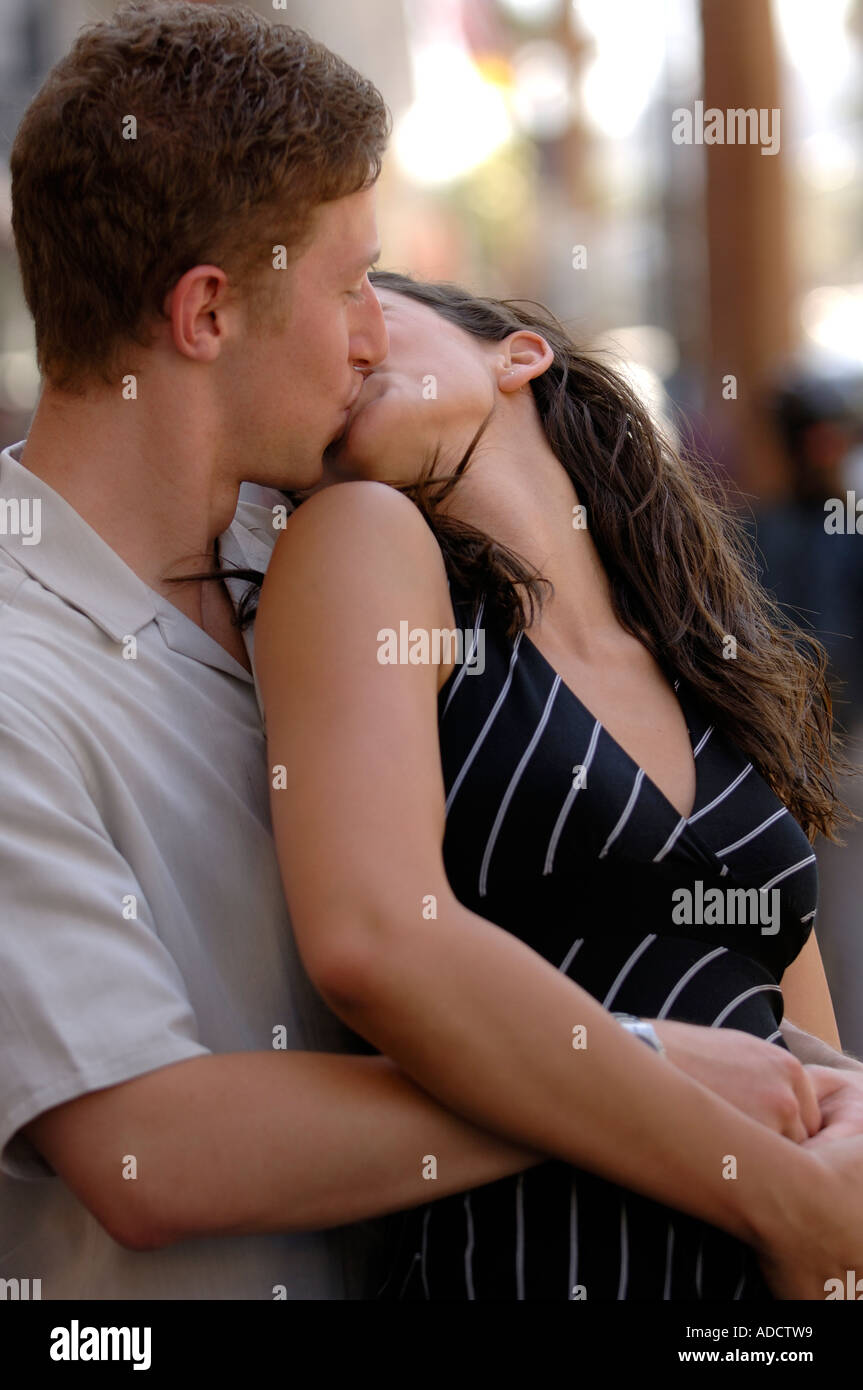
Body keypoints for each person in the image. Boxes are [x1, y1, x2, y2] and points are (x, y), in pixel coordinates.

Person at [0, 0, 861, 1303]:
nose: (367, 331)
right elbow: (145, 1155)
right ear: (205, 314)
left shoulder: (324, 567)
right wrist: (643, 1072)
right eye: (351, 285)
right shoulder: (20, 676)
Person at [251, 271, 863, 1300]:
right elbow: (375, 942)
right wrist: (783, 1198)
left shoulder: (704, 662)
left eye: (371, 300)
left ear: (517, 354)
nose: (347, 343)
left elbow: (809, 1055)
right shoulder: (367, 542)